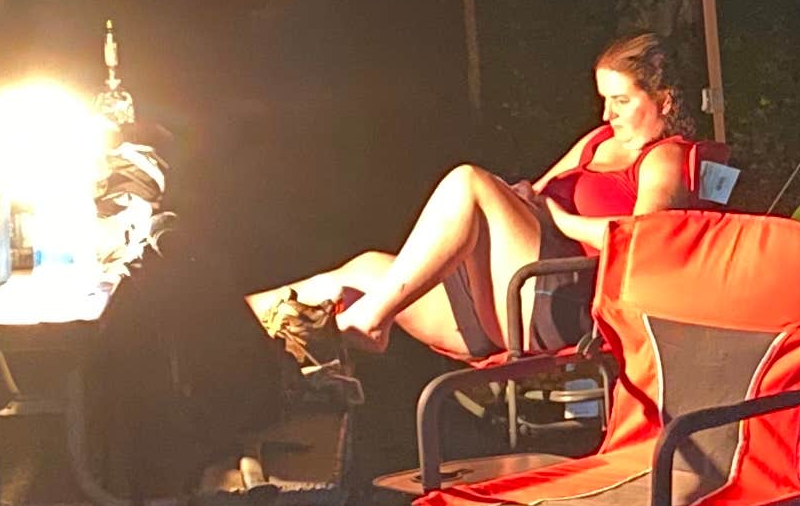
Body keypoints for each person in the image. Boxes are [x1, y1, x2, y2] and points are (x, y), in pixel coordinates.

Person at [257, 33, 711, 362]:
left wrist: (562, 221)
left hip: (563, 301)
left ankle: (371, 323)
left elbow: (646, 243)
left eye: (621, 101)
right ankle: (236, 330)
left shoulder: (665, 158)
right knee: (364, 271)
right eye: (604, 100)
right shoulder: (598, 141)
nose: (607, 113)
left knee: (468, 182)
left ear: (665, 101)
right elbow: (538, 191)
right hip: (509, 291)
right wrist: (517, 199)